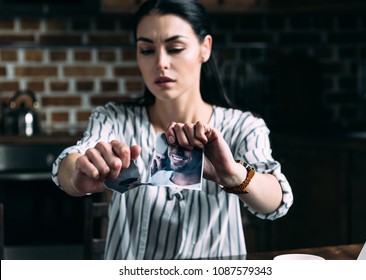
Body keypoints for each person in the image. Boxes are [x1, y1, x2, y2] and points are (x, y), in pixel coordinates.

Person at [52, 0, 293, 260]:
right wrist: (78, 173)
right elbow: (72, 158)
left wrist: (233, 175)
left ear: (205, 48)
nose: (160, 63)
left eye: (175, 48)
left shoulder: (243, 126)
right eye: (146, 50)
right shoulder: (113, 119)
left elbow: (277, 201)